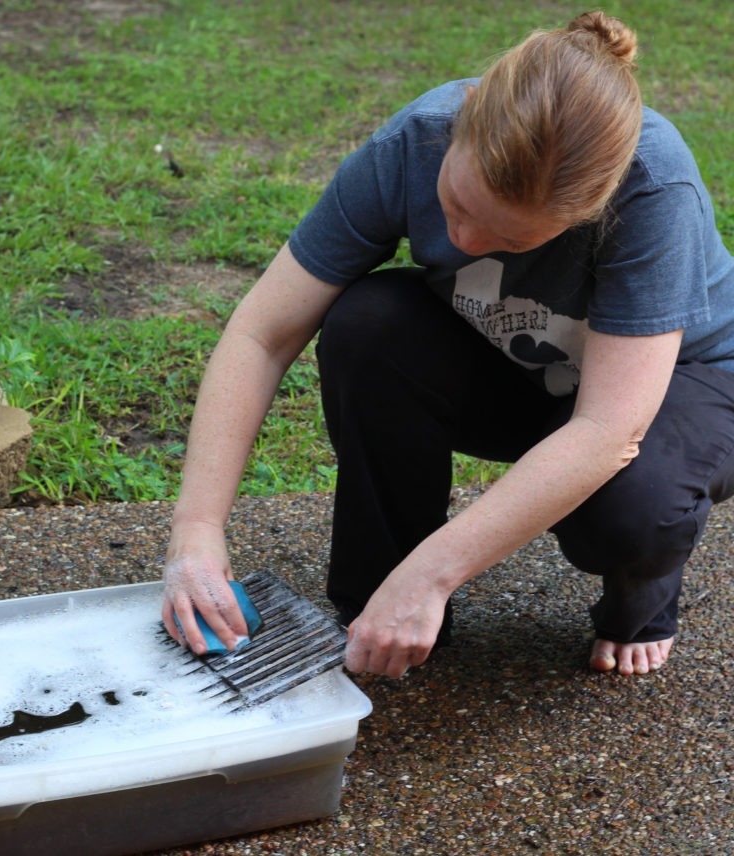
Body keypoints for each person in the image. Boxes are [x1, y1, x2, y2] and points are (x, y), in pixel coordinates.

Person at [160, 11, 734, 678]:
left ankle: (643, 598)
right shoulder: (415, 140)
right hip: (531, 363)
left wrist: (432, 576)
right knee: (369, 323)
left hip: (688, 384)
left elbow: (608, 430)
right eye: (458, 205)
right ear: (464, 118)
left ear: (593, 209)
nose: (461, 241)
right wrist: (195, 529)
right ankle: (379, 600)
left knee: (629, 506)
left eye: (511, 240)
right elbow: (262, 332)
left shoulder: (654, 190)